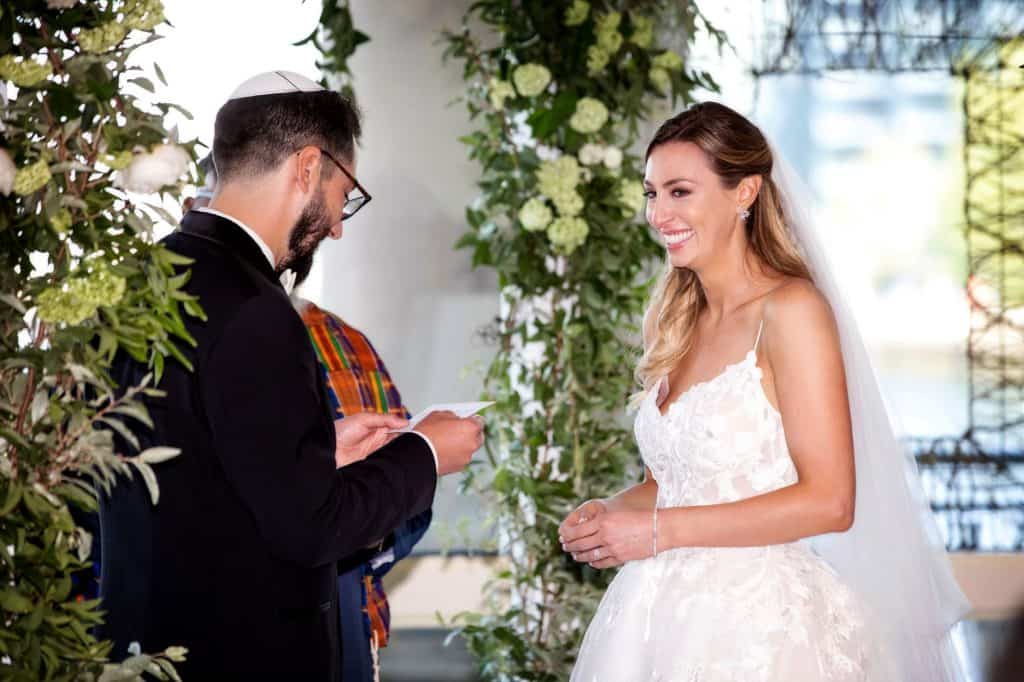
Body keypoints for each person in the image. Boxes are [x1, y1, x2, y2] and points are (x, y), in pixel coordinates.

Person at [560, 102, 968, 680]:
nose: (658, 214)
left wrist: (654, 531)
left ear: (745, 192)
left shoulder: (792, 311)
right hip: (653, 618)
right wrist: (609, 514)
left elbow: (831, 500)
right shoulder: (673, 320)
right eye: (651, 193)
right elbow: (674, 484)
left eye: (680, 191)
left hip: (761, 629)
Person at [99, 71, 484, 681]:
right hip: (242, 652)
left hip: (148, 644)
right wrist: (424, 452)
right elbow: (311, 527)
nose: (335, 225)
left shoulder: (143, 280)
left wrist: (319, 450)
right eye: (343, 195)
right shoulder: (256, 308)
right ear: (308, 167)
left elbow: (200, 464)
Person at [291, 250, 433, 682]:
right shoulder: (152, 335)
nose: (336, 230)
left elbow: (407, 488)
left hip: (347, 602)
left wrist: (372, 533)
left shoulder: (343, 341)